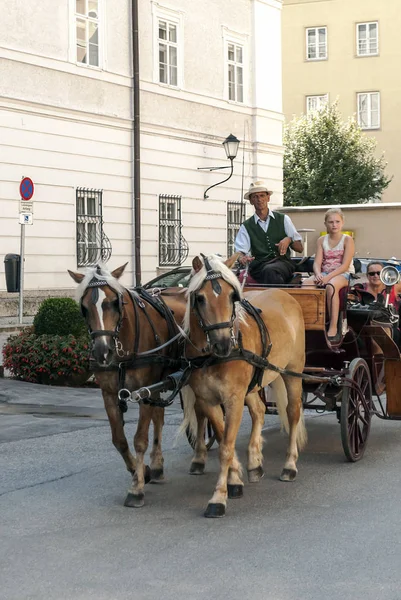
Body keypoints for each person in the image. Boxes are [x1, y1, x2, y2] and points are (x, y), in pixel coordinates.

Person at [234, 180, 304, 284]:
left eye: (262, 196)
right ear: (251, 201)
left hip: (283, 264)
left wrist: (288, 240)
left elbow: (300, 248)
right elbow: (240, 252)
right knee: (268, 271)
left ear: (268, 198)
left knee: (270, 271)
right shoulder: (246, 226)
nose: (259, 199)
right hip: (258, 267)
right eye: (255, 197)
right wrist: (242, 258)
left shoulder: (283, 219)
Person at [303, 208, 355, 340]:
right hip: (325, 272)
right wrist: (319, 274)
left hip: (343, 273)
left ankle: (333, 325)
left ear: (342, 223)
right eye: (331, 222)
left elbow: (344, 266)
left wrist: (327, 278)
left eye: (337, 221)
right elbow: (317, 262)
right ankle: (310, 321)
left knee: (331, 286)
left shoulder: (347, 240)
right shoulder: (321, 240)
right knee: (306, 284)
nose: (334, 225)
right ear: (325, 223)